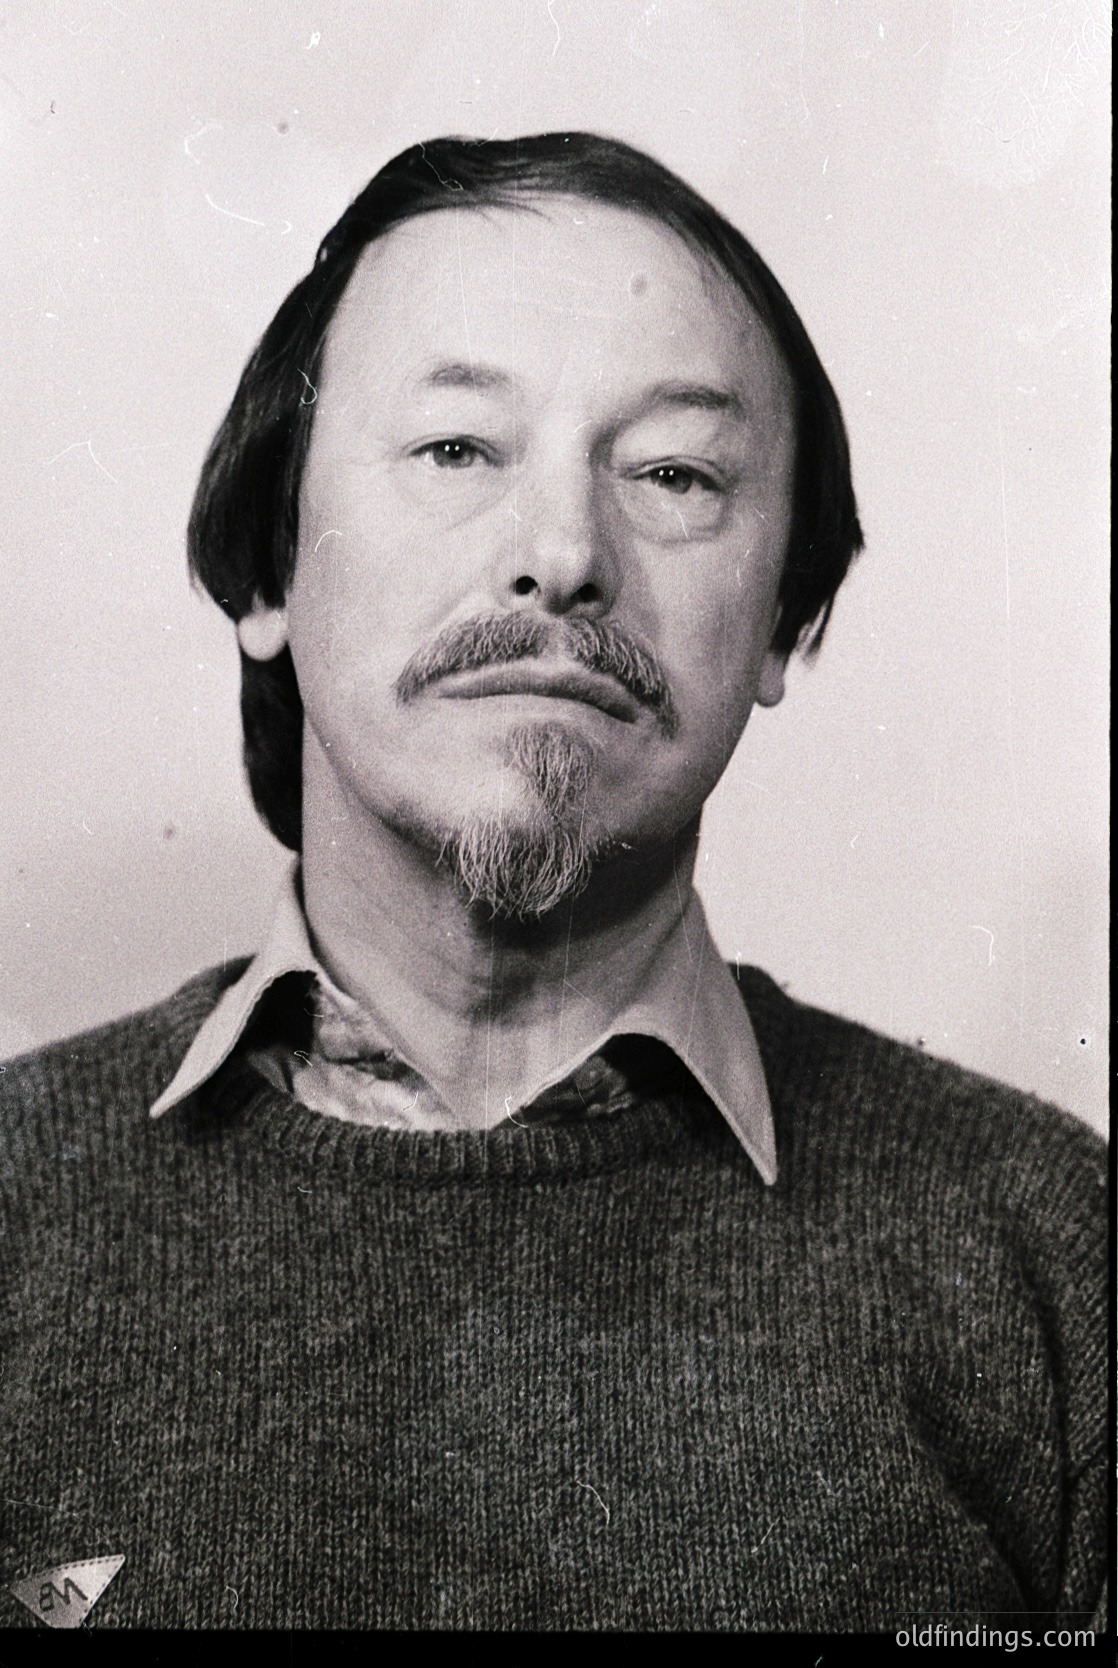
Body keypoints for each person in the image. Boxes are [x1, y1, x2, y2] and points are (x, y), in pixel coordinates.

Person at [1, 133, 1105, 1635]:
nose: (564, 554)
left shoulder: (1053, 1254)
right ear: (267, 567)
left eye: (673, 472)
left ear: (784, 623)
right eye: (458, 448)